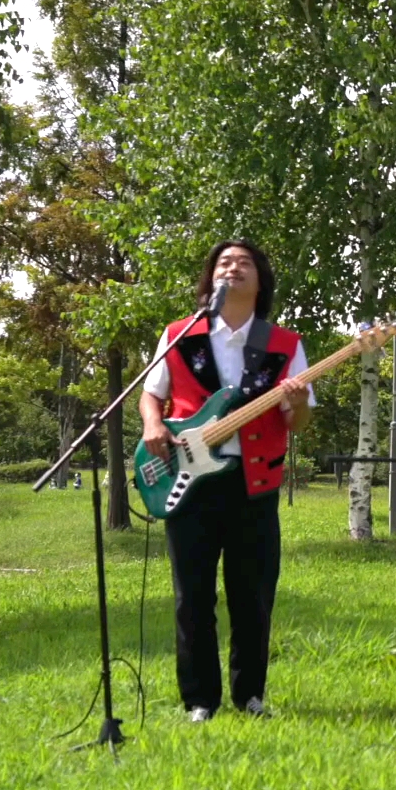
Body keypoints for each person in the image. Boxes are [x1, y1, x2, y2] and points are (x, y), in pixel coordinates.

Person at [139, 240, 313, 723]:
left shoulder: (284, 345)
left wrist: (295, 401)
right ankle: (199, 700)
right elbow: (151, 395)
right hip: (188, 480)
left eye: (244, 263)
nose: (233, 267)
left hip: (254, 484)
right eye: (223, 262)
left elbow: (298, 422)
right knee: (191, 595)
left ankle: (250, 695)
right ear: (209, 278)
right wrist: (154, 425)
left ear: (261, 280)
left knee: (253, 594)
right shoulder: (180, 334)